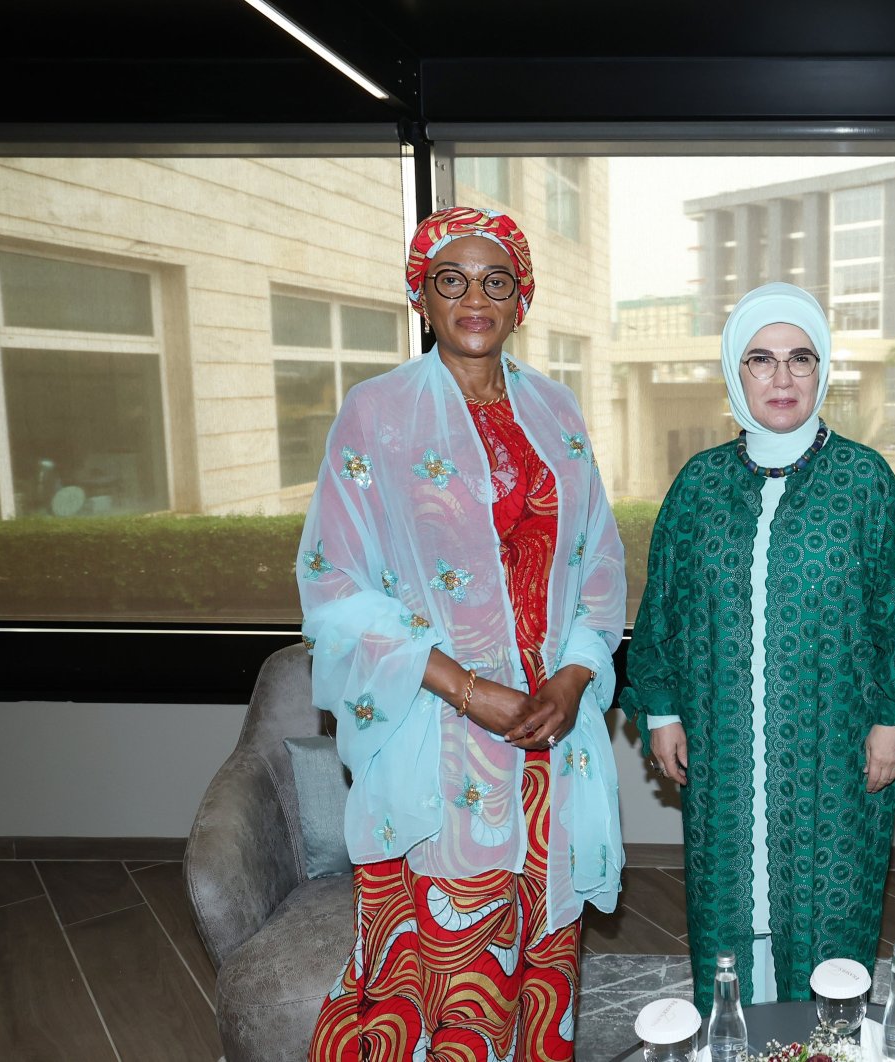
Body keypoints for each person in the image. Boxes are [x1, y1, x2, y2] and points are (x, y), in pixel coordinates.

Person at [298, 206, 625, 1061]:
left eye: (496, 280)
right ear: (422, 296)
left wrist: (574, 678)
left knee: (543, 965)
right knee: (448, 985)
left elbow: (598, 571)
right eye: (452, 280)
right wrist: (469, 689)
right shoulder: (377, 415)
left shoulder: (557, 412)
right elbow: (334, 584)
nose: (474, 298)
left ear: (523, 299)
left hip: (550, 745)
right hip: (438, 737)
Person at [620, 281, 895, 1012]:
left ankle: (828, 1043)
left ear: (822, 369)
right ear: (735, 374)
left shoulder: (865, 481)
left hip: (837, 754)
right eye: (760, 359)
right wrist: (661, 711)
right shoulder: (699, 486)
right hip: (723, 751)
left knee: (832, 921)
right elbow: (662, 613)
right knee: (729, 914)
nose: (781, 377)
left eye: (800, 358)